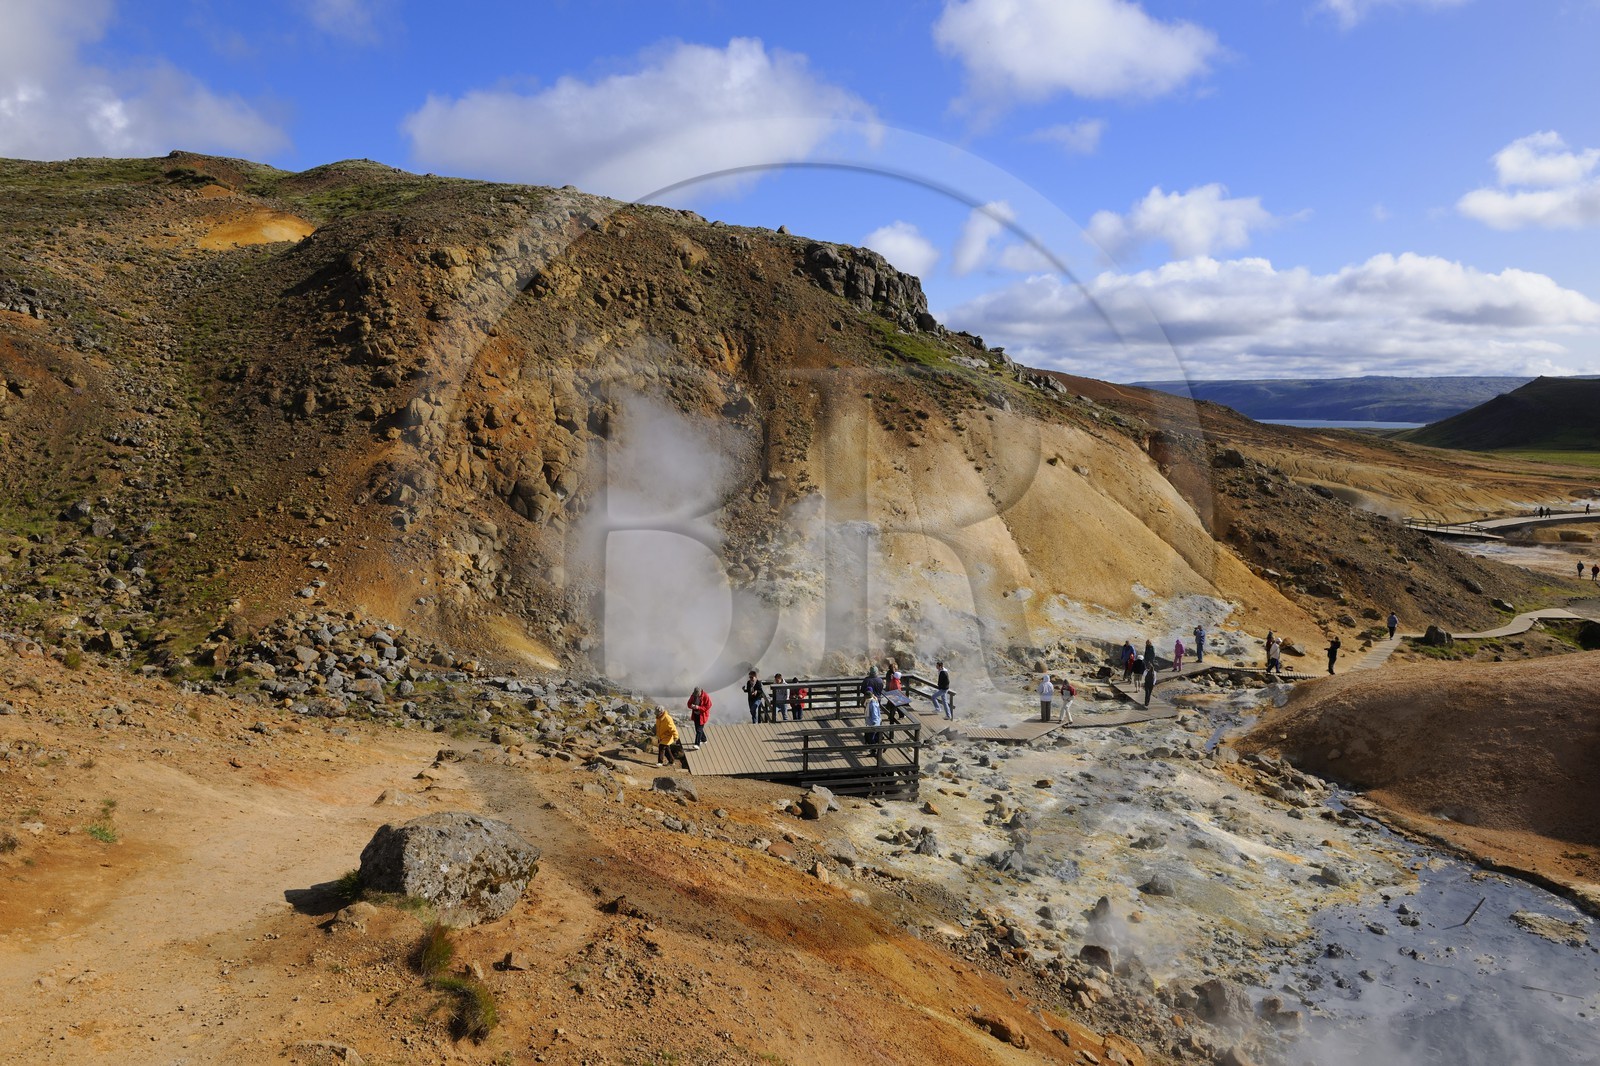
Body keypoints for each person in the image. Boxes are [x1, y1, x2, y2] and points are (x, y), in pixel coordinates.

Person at [864, 689, 884, 762]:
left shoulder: (872, 704)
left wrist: (874, 725)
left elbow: (875, 715)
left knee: (870, 737)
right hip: (873, 723)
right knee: (872, 737)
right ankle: (881, 745)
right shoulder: (872, 701)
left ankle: (874, 751)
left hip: (873, 724)